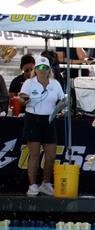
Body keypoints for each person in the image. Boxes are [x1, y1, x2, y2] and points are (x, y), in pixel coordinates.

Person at [19, 56, 66, 198]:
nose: (42, 70)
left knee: (51, 155)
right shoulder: (29, 83)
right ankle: (32, 185)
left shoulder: (55, 83)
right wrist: (23, 100)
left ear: (49, 70)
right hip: (33, 119)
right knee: (34, 154)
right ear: (35, 69)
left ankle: (46, 183)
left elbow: (62, 99)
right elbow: (21, 99)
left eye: (45, 68)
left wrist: (63, 104)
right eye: (39, 67)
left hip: (49, 119)